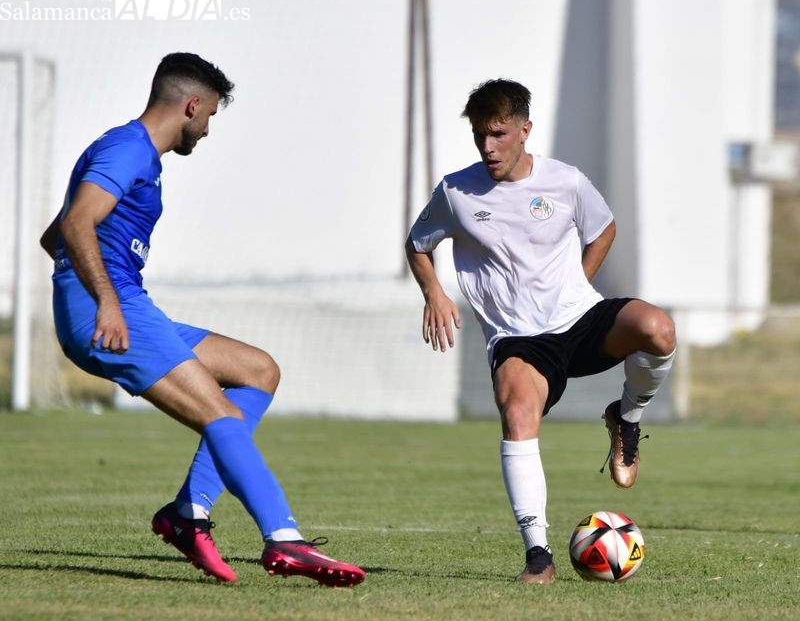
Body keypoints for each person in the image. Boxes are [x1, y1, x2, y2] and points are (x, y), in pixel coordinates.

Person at [39, 52, 365, 588]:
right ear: (191, 106)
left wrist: (106, 287)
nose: (208, 129)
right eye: (210, 115)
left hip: (121, 302)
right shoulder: (128, 148)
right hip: (109, 308)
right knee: (221, 415)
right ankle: (284, 538)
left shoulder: (135, 154)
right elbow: (76, 224)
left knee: (258, 370)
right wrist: (106, 301)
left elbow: (54, 237)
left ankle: (187, 512)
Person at [404, 79, 676, 584]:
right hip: (519, 339)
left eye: (499, 134)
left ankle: (626, 418)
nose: (488, 147)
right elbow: (418, 244)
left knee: (658, 329)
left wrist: (579, 283)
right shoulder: (456, 192)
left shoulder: (565, 181)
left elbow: (604, 228)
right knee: (517, 414)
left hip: (579, 318)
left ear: (525, 129)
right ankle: (539, 556)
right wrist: (434, 293)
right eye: (480, 136)